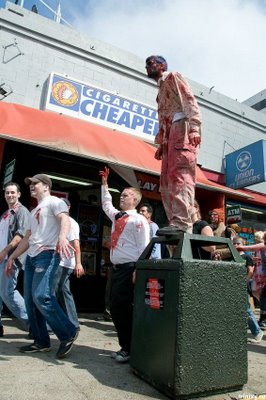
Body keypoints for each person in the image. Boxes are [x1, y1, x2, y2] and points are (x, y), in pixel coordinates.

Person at [5, 174, 78, 358]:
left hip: (47, 254)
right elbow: (28, 238)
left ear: (46, 186)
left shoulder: (55, 201)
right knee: (30, 300)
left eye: (35, 183)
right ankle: (41, 341)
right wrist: (12, 257)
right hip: (31, 257)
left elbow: (64, 219)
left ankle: (68, 332)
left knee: (41, 296)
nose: (32, 186)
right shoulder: (34, 210)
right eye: (30, 183)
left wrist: (62, 237)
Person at [145, 55, 201, 235]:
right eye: (147, 64)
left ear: (162, 65)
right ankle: (175, 222)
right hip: (170, 135)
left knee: (181, 176)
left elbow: (189, 99)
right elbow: (162, 118)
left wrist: (194, 127)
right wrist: (161, 142)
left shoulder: (173, 76)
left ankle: (183, 223)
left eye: (151, 63)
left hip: (182, 128)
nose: (148, 66)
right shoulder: (160, 91)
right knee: (167, 181)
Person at [100, 166, 150, 363]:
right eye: (121, 194)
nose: (122, 197)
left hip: (129, 269)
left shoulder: (139, 220)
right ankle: (128, 346)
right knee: (117, 307)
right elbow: (106, 205)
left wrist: (139, 269)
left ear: (135, 200)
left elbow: (144, 247)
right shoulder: (118, 216)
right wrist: (105, 185)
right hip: (117, 269)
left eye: (126, 195)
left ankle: (128, 348)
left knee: (121, 308)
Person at [0, 182, 30, 337]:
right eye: (7, 192)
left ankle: (33, 323)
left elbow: (21, 235)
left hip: (10, 258)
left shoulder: (22, 211)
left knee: (7, 293)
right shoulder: (6, 213)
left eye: (12, 192)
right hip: (2, 258)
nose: (9, 195)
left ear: (19, 194)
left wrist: (5, 252)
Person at [55, 198, 84, 331]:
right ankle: (73, 322)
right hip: (60, 261)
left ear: (69, 207)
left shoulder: (71, 223)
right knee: (63, 291)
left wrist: (78, 263)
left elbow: (76, 243)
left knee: (53, 291)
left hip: (64, 262)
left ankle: (55, 323)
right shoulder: (57, 221)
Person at [233, 236, 264, 343]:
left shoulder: (247, 256)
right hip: (232, 286)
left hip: (242, 287)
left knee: (246, 310)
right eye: (234, 243)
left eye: (238, 243)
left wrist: (244, 281)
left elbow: (250, 271)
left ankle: (257, 332)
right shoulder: (231, 255)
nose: (235, 245)